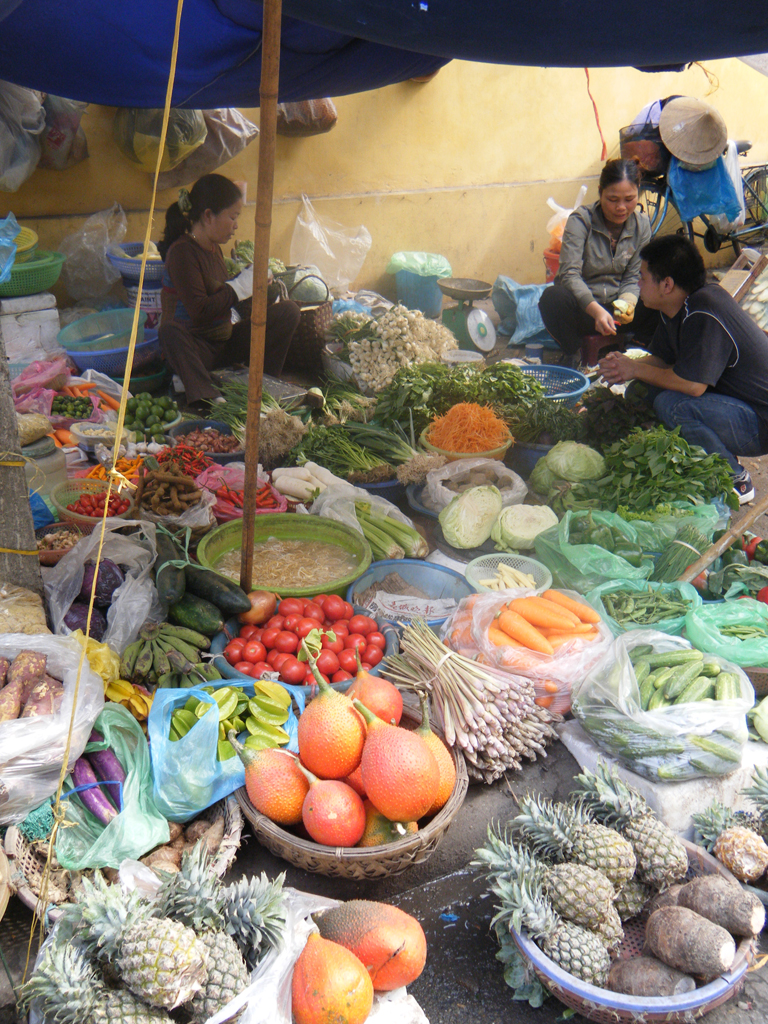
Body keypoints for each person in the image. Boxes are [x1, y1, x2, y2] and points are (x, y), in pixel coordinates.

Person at [599, 234, 768, 504]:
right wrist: (624, 366)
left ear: (666, 284)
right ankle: (704, 455)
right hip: (733, 407)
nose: (637, 284)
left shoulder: (704, 310)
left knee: (672, 404)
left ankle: (735, 478)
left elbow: (692, 385)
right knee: (641, 392)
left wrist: (635, 369)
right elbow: (661, 360)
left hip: (760, 422)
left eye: (642, 277)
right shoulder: (675, 309)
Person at [157, 174, 300, 411]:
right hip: (196, 349)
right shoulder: (182, 253)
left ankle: (265, 385)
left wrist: (256, 285)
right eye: (233, 217)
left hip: (223, 344)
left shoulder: (213, 248)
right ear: (208, 216)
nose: (236, 225)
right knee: (168, 331)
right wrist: (241, 286)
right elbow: (200, 311)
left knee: (288, 312)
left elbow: (224, 295)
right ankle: (209, 397)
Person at [538, 159, 660, 367]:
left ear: (638, 192)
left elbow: (634, 275)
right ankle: (573, 353)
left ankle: (639, 349)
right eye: (613, 199)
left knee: (664, 292)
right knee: (552, 298)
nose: (621, 207)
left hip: (618, 313)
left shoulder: (642, 225)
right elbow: (569, 274)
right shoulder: (581, 221)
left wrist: (627, 304)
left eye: (629, 199)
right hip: (585, 312)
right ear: (600, 192)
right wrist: (596, 310)